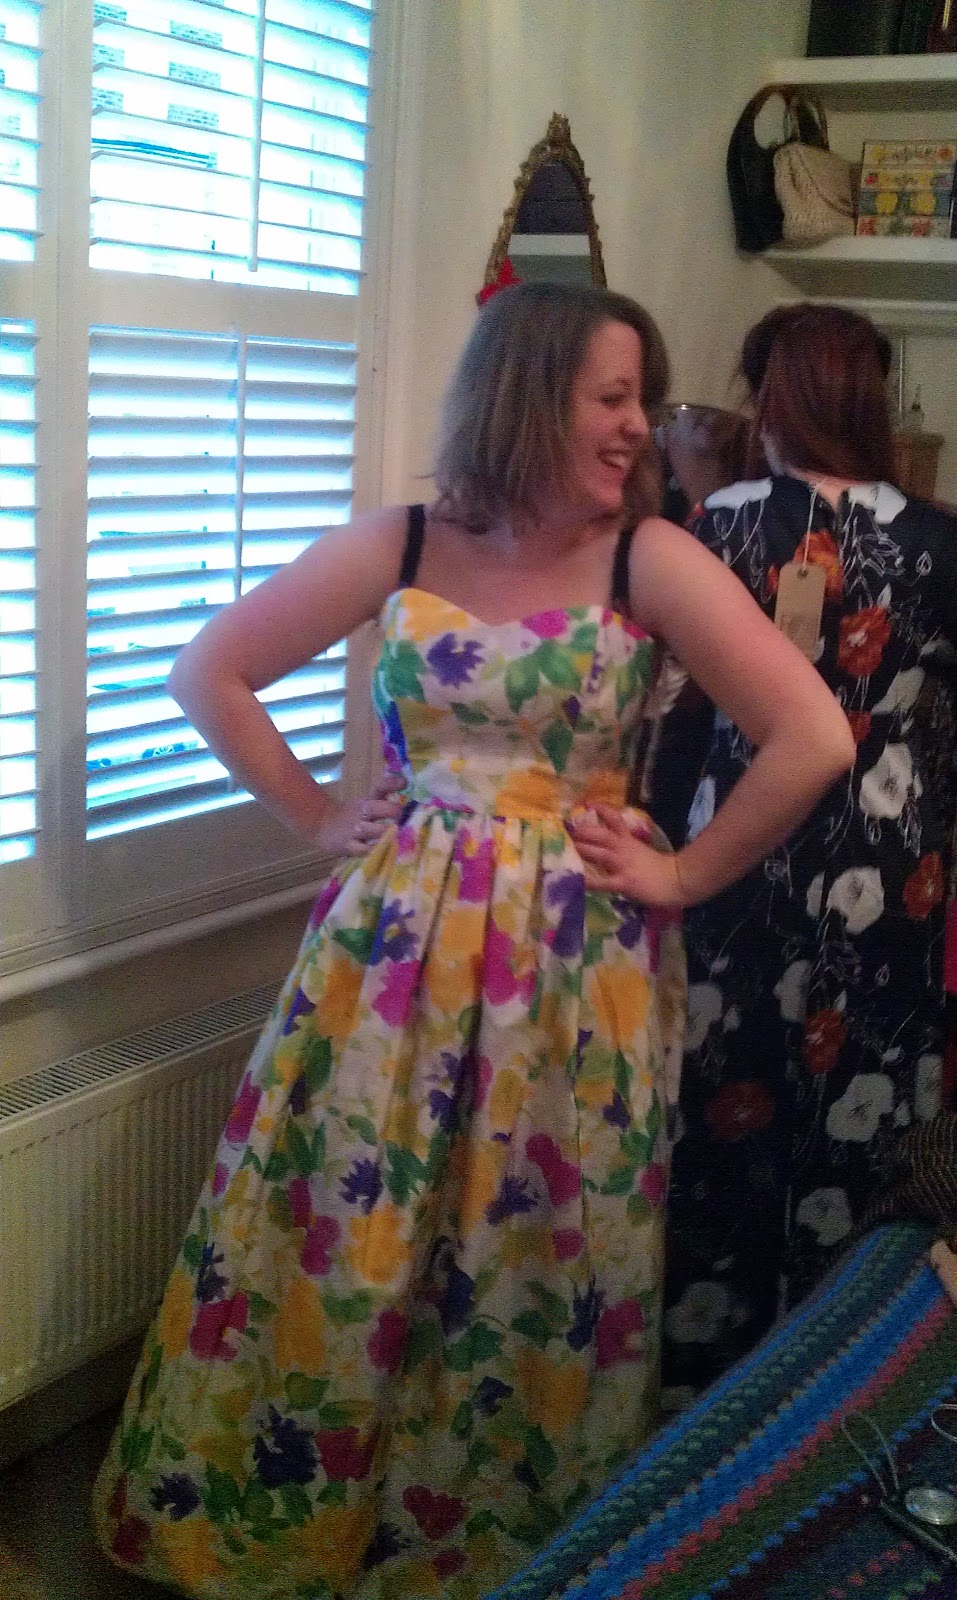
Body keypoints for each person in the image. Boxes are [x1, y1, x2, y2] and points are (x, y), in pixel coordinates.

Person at [93, 281, 853, 1599]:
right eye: (610, 397)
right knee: (347, 1216)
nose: (639, 427)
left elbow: (814, 737)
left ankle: (486, 1542)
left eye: (638, 398)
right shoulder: (402, 540)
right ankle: (290, 1512)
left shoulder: (649, 558)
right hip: (391, 958)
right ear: (526, 392)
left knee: (533, 1244)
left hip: (573, 966)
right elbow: (209, 669)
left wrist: (682, 871)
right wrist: (316, 813)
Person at [659, 303, 957, 1401]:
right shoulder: (940, 541)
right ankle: (847, 1363)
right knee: (867, 1090)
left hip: (742, 838)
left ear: (769, 397)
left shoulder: (715, 527)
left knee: (724, 1087)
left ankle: (706, 1367)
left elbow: (679, 707)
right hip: (892, 857)